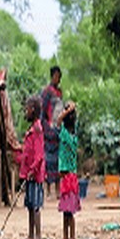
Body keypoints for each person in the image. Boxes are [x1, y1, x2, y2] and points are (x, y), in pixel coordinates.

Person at [14, 95, 45, 239]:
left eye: (26, 109)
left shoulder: (37, 129)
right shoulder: (32, 129)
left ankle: (37, 235)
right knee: (30, 205)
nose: (25, 112)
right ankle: (31, 235)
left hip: (35, 175)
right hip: (29, 174)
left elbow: (39, 155)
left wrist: (33, 169)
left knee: (36, 206)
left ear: (32, 110)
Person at [56, 101, 80, 239]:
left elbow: (58, 120)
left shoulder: (68, 135)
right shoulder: (67, 134)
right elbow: (59, 121)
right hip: (66, 178)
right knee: (66, 211)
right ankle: (65, 237)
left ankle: (72, 237)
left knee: (69, 211)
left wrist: (69, 109)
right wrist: (70, 109)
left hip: (70, 176)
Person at [41, 65, 64, 198]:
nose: (58, 79)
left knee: (57, 162)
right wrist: (45, 128)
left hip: (58, 130)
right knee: (48, 161)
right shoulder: (46, 92)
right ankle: (48, 191)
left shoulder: (59, 92)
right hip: (49, 130)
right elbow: (43, 112)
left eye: (59, 77)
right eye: (56, 76)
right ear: (52, 76)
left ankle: (57, 190)